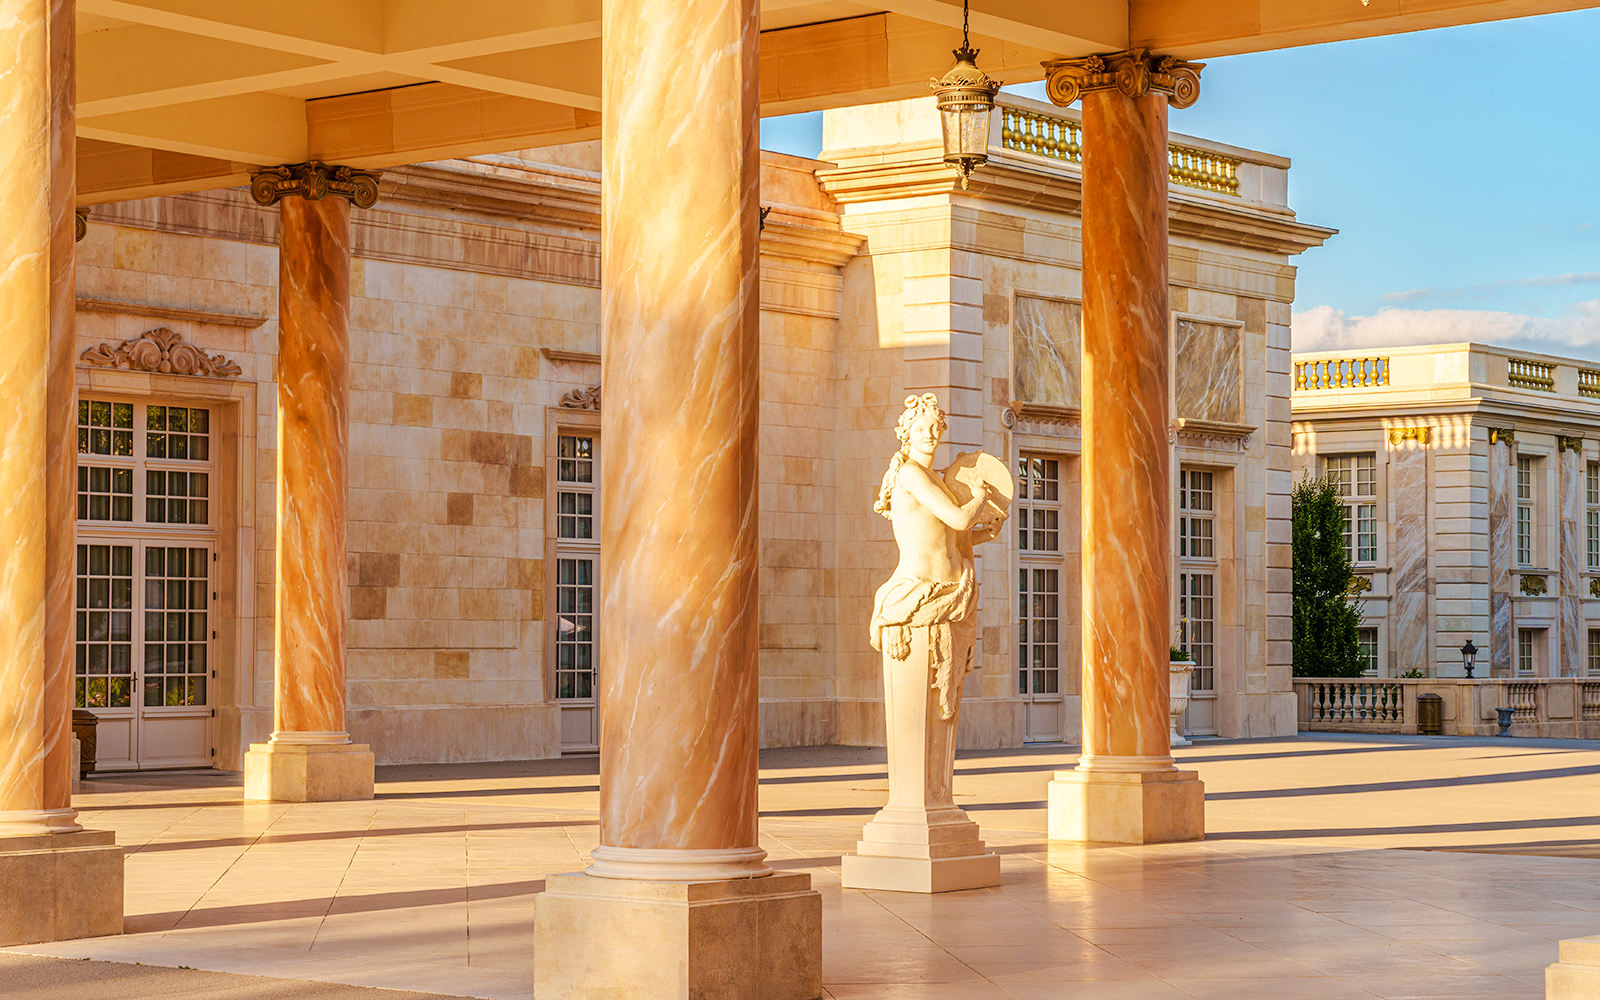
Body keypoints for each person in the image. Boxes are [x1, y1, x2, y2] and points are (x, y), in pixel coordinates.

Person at [870, 393, 1005, 719]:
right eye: (920, 430)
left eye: (934, 428)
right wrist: (979, 498)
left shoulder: (939, 479)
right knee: (923, 709)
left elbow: (953, 534)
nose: (929, 435)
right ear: (906, 434)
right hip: (920, 589)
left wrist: (988, 531)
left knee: (945, 702)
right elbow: (959, 518)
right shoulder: (911, 474)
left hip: (954, 591)